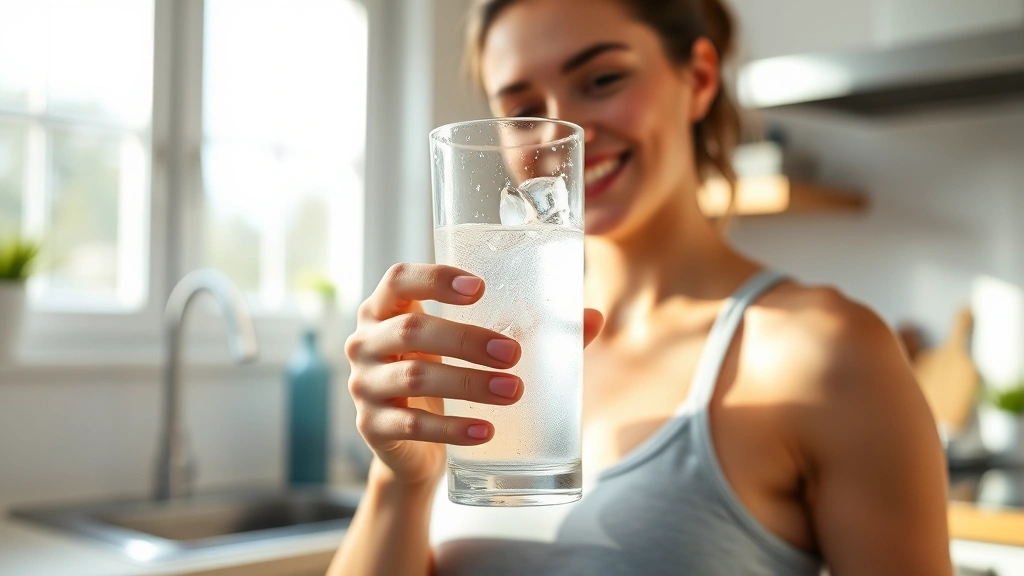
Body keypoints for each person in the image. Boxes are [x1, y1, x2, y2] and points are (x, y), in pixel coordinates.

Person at [329, 0, 953, 574]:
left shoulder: (825, 352)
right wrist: (402, 481)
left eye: (602, 80)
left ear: (700, 78)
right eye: (522, 110)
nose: (560, 131)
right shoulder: (476, 361)